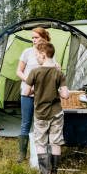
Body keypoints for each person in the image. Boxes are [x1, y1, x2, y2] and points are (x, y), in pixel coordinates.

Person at [22, 42, 70, 174]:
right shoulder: (59, 72)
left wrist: (35, 89)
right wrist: (56, 91)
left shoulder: (35, 72)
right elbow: (66, 95)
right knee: (56, 142)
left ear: (43, 55)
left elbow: (26, 92)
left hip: (41, 114)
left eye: (37, 55)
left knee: (41, 143)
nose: (36, 58)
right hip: (56, 113)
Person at [16, 27, 54, 163]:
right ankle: (22, 154)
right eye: (32, 38)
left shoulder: (48, 52)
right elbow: (19, 71)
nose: (33, 40)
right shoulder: (27, 52)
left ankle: (42, 154)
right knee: (25, 122)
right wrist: (29, 82)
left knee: (43, 123)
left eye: (36, 37)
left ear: (44, 38)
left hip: (43, 94)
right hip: (27, 92)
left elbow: (51, 71)